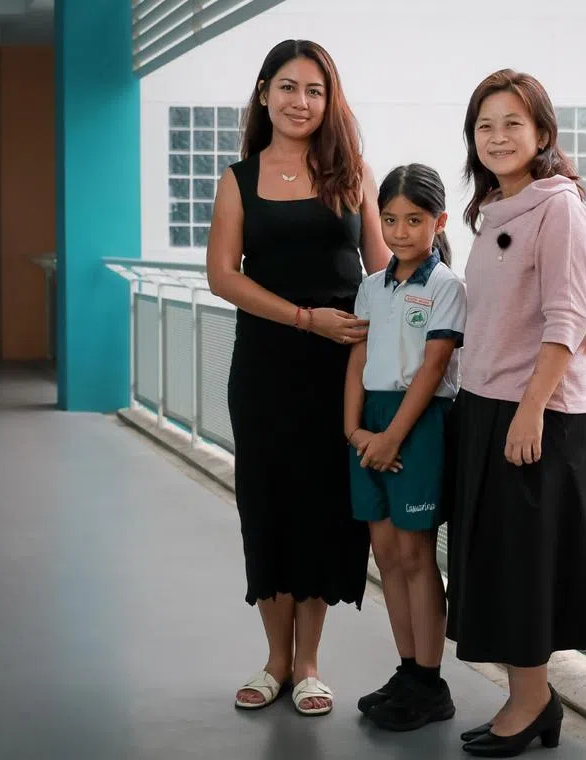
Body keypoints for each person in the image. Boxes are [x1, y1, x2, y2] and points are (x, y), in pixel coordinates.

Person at [205, 39, 391, 717]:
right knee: (269, 505)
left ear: (328, 100)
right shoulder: (239, 178)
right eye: (288, 87)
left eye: (315, 90)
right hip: (266, 366)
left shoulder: (353, 174)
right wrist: (306, 319)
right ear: (263, 94)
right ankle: (273, 661)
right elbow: (223, 276)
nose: (301, 102)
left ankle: (308, 662)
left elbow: (381, 267)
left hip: (343, 369)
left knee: (323, 510)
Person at [445, 69, 586, 757]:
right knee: (497, 565)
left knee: (526, 570)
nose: (499, 136)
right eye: (486, 125)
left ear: (542, 132)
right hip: (484, 407)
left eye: (513, 122)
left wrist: (531, 409)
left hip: (535, 412)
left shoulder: (559, 208)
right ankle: (526, 697)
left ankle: (535, 701)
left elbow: (567, 317)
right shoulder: (493, 212)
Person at [343, 164, 466, 732]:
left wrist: (393, 437)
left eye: (413, 220)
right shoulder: (371, 285)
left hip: (417, 423)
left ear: (438, 222)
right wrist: (355, 431)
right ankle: (407, 669)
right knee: (386, 554)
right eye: (389, 219)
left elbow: (435, 365)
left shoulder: (445, 288)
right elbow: (357, 361)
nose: (399, 231)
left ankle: (430, 681)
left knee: (417, 556)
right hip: (370, 423)